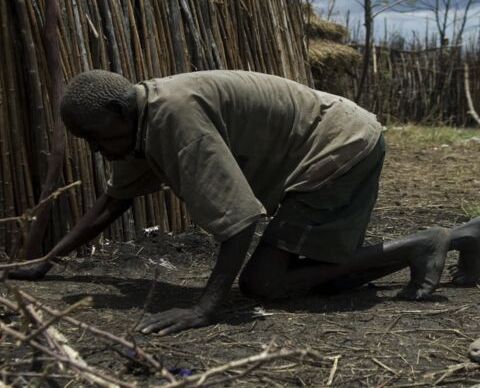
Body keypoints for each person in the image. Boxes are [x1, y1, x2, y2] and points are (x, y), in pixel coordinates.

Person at [4, 70, 479, 336]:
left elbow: (239, 218)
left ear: (117, 112)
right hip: (330, 144)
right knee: (331, 279)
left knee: (265, 284)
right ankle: (455, 238)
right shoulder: (140, 125)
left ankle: (423, 243)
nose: (92, 147)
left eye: (92, 135)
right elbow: (112, 202)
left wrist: (207, 307)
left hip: (339, 147)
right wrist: (48, 260)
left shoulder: (174, 118)